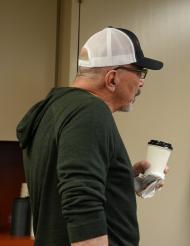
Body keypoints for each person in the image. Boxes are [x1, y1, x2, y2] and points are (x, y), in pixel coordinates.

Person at [16, 27, 163, 246]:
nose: (141, 82)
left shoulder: (54, 108)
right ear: (112, 78)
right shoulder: (89, 112)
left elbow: (62, 186)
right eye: (139, 72)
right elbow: (81, 202)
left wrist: (125, 181)